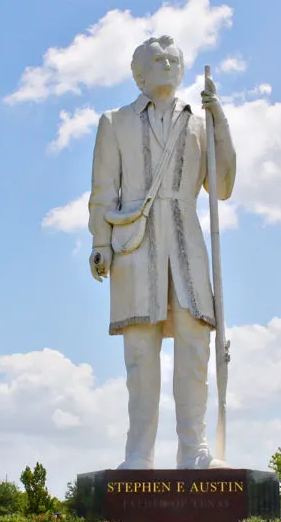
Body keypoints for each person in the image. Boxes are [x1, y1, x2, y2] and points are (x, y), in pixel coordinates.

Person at [87, 35, 236, 470]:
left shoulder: (199, 122)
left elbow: (222, 187)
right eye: (157, 59)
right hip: (135, 244)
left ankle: (194, 449)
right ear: (140, 72)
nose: (167, 64)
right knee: (139, 355)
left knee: (194, 347)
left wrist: (219, 120)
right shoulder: (115, 122)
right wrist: (100, 241)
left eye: (173, 59)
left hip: (187, 241)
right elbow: (103, 190)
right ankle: (139, 454)